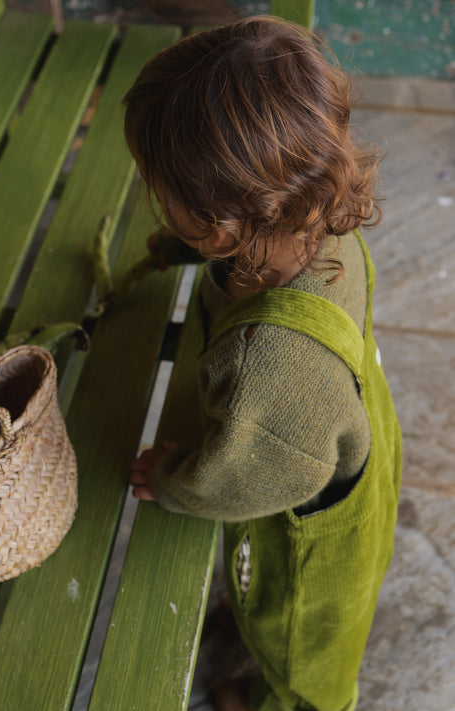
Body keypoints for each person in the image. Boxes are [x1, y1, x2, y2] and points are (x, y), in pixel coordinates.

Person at [126, 16, 402, 711]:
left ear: (223, 225)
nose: (154, 197)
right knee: (270, 611)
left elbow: (238, 481)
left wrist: (172, 477)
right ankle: (249, 628)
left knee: (304, 652)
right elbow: (252, 222)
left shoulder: (269, 366)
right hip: (341, 438)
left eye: (164, 191)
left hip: (310, 534)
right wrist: (184, 245)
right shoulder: (317, 222)